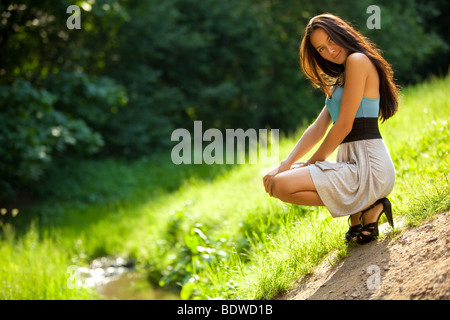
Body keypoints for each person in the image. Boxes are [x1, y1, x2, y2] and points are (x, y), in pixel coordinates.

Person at [263, 13, 399, 244]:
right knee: (279, 181)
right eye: (321, 49)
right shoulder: (340, 80)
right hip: (352, 164)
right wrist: (285, 164)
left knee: (282, 184)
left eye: (331, 40)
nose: (330, 50)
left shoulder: (358, 60)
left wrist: (312, 162)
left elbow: (344, 125)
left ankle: (366, 205)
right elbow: (317, 128)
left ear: (342, 32)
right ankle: (364, 208)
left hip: (369, 167)